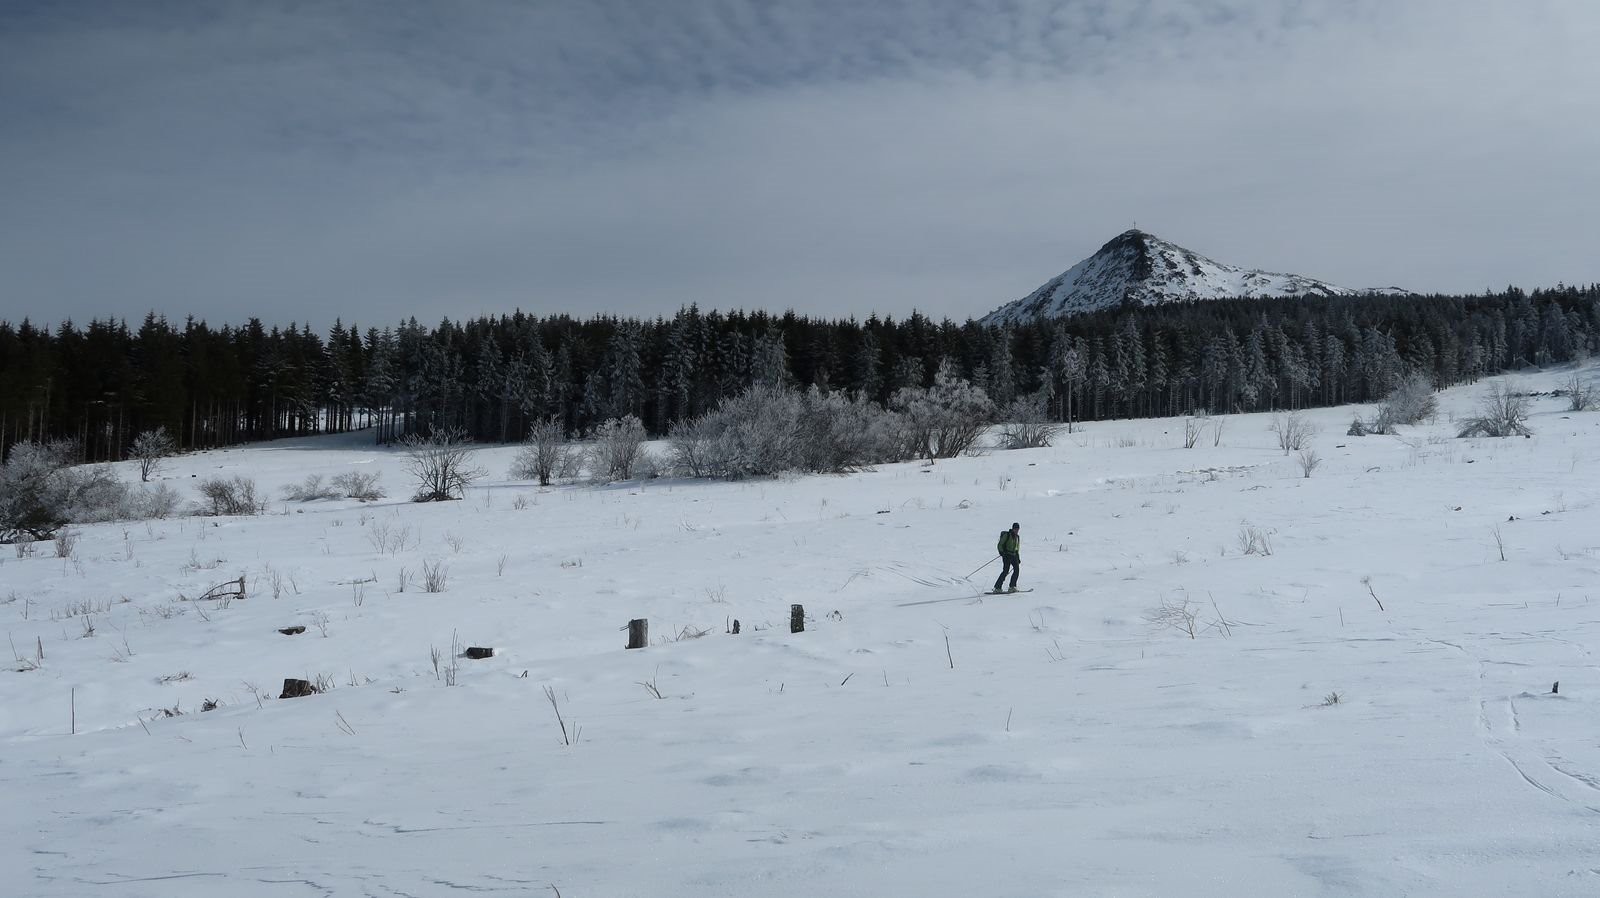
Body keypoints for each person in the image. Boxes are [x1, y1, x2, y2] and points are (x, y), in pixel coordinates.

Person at [994, 522, 1021, 593]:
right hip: (1006, 555)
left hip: (1014, 555)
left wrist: (1018, 557)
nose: (1016, 530)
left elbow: (1017, 548)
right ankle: (997, 587)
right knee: (1006, 571)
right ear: (1013, 528)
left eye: (1017, 529)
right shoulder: (1007, 535)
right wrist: (1002, 552)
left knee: (1016, 570)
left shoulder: (1017, 537)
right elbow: (1000, 544)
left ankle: (1012, 586)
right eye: (1015, 529)